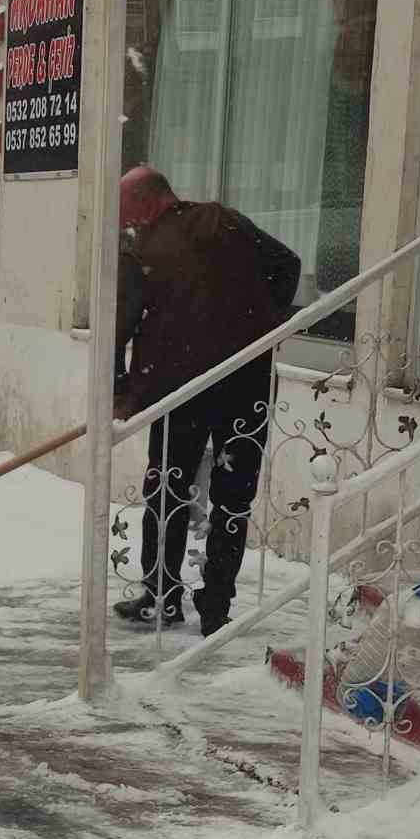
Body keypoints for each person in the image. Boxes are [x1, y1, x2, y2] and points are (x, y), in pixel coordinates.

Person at [113, 166, 301, 637]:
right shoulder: (225, 221)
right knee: (233, 497)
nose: (123, 220)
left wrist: (120, 388)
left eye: (125, 208)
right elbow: (288, 264)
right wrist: (261, 324)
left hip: (180, 388)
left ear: (146, 202)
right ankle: (216, 606)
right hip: (246, 381)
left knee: (167, 489)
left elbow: (122, 322)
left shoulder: (145, 250)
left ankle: (161, 597)